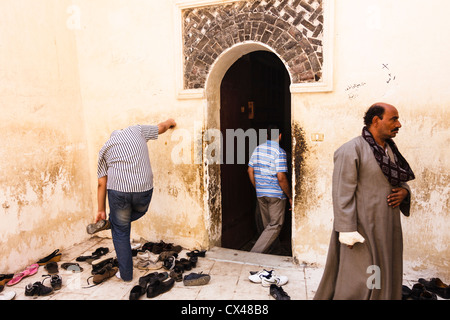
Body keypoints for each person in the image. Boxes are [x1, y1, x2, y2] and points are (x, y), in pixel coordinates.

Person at [314, 103, 415, 300]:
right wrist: (347, 230)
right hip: (361, 229)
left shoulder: (390, 150)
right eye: (393, 119)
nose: (399, 124)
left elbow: (399, 181)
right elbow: (341, 193)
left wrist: (404, 191)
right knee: (361, 276)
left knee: (384, 269)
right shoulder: (351, 150)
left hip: (387, 226)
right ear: (376, 121)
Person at [95, 119, 176, 282]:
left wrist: (101, 210)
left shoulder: (104, 148)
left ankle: (125, 274)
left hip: (118, 192)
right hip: (143, 191)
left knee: (120, 230)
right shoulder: (137, 130)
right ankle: (118, 221)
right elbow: (161, 128)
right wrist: (170, 122)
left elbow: (101, 183)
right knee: (137, 212)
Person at [248, 125, 292, 254]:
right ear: (280, 136)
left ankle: (273, 250)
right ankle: (254, 253)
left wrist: (258, 187)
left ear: (267, 136)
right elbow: (281, 177)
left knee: (267, 227)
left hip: (261, 193)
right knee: (275, 226)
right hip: (276, 195)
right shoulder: (279, 152)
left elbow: (250, 170)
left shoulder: (257, 149)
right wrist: (289, 196)